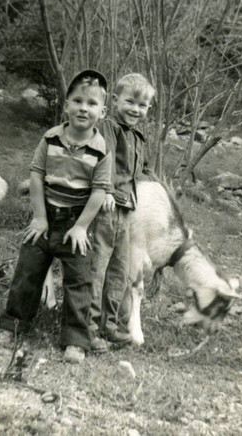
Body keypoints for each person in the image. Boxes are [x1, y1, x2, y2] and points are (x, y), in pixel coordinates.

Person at [0, 69, 111, 364]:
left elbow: (99, 192)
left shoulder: (101, 152)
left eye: (91, 103)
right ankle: (14, 325)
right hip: (45, 218)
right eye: (77, 100)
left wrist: (81, 227)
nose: (83, 108)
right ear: (66, 105)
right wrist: (39, 218)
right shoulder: (50, 139)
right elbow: (36, 176)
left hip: (76, 223)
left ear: (102, 111)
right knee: (28, 271)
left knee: (78, 282)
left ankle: (75, 340)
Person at [89, 73, 155, 353]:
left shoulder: (138, 136)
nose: (135, 109)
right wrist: (105, 190)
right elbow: (105, 162)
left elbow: (142, 173)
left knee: (120, 269)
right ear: (115, 100)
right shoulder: (110, 127)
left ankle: (111, 325)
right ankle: (88, 328)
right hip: (107, 206)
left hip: (127, 210)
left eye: (142, 105)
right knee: (98, 267)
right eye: (130, 101)